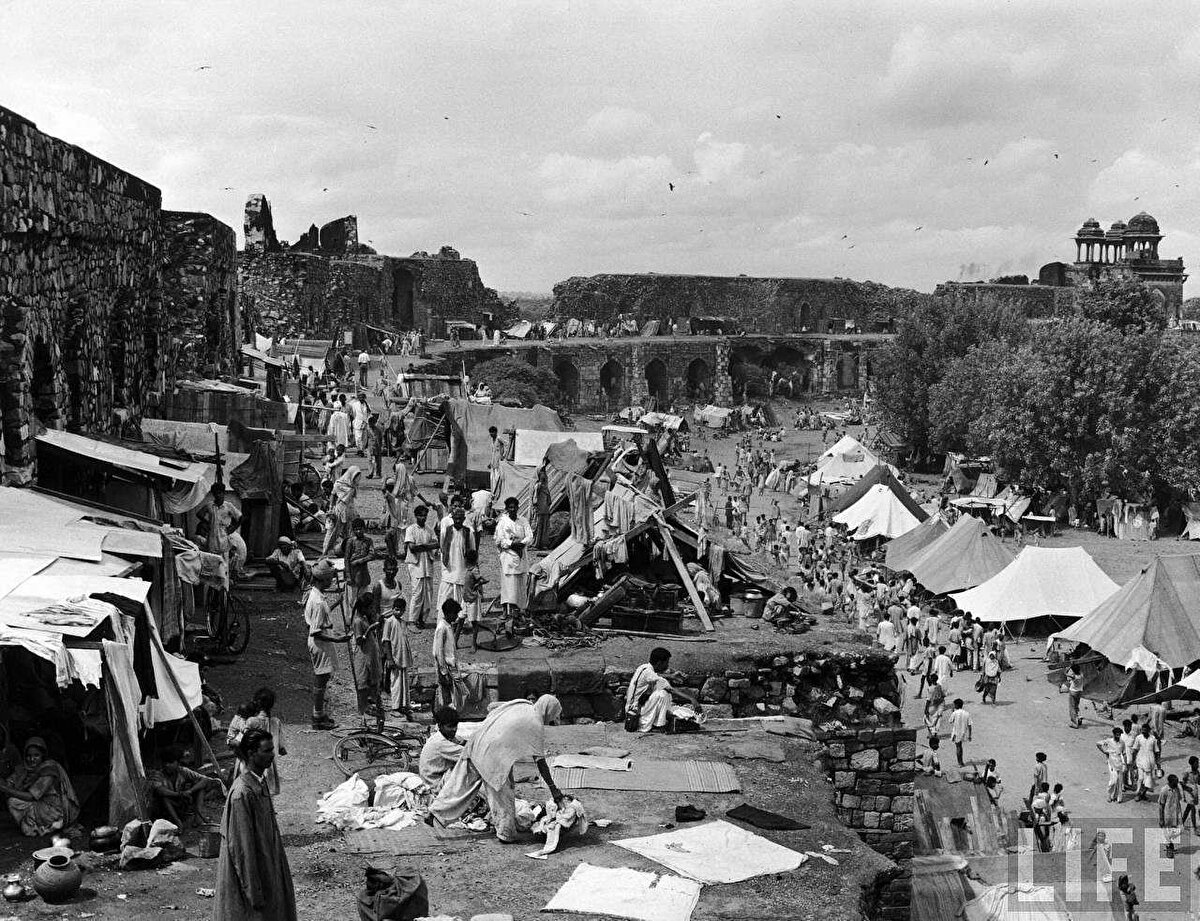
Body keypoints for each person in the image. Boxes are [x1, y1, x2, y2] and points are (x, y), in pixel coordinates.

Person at [429, 695, 565, 842]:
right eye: (553, 715)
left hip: (477, 743)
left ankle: (436, 812)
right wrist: (554, 790)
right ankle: (505, 834)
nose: (552, 719)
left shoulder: (523, 705)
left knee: (460, 785)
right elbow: (540, 762)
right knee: (502, 795)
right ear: (549, 710)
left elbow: (493, 709)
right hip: (494, 756)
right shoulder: (536, 723)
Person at [214, 728, 297, 921]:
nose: (272, 755)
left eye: (272, 749)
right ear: (251, 753)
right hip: (251, 875)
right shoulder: (242, 793)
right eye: (267, 751)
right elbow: (241, 848)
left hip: (266, 863)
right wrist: (253, 890)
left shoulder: (259, 782)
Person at [0, 737, 80, 836]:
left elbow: (32, 796)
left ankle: (50, 824)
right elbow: (13, 780)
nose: (32, 759)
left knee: (13, 802)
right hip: (40, 804)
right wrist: (7, 784)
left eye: (36, 755)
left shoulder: (49, 770)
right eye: (28, 756)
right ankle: (41, 825)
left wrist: (6, 789)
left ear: (43, 756)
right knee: (21, 817)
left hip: (53, 809)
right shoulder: (25, 769)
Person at [305, 560, 350, 730]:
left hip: (322, 641)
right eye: (329, 579)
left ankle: (320, 713)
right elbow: (315, 631)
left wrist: (337, 603)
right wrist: (338, 640)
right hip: (320, 643)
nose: (331, 582)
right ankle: (317, 717)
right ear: (322, 580)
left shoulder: (317, 595)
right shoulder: (317, 601)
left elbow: (322, 614)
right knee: (321, 680)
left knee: (323, 679)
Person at [624, 647, 698, 733]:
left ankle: (657, 720)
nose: (667, 666)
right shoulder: (650, 674)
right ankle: (659, 725)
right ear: (659, 663)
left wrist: (671, 676)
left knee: (662, 693)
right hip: (635, 713)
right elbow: (671, 690)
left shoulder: (643, 667)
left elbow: (655, 674)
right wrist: (692, 699)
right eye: (667, 663)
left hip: (632, 708)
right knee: (663, 694)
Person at [148, 744, 223, 827]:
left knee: (200, 788)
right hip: (167, 809)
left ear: (177, 763)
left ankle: (198, 818)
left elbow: (204, 780)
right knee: (165, 798)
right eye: (165, 762)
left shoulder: (183, 771)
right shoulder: (158, 774)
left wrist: (190, 791)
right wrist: (179, 794)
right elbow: (160, 790)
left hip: (182, 804)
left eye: (171, 762)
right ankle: (178, 822)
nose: (167, 765)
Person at [495, 497, 533, 620]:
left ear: (517, 507)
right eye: (510, 507)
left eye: (514, 507)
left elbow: (529, 536)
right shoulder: (503, 522)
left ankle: (520, 611)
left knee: (520, 585)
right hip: (508, 556)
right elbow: (499, 539)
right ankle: (506, 611)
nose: (512, 509)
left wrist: (521, 543)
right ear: (507, 508)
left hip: (521, 555)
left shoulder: (523, 521)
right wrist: (512, 544)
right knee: (508, 585)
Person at [404, 505, 439, 629]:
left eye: (425, 515)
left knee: (428, 593)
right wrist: (427, 546)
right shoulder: (411, 529)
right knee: (417, 593)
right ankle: (412, 620)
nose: (423, 518)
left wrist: (423, 546)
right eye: (420, 515)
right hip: (416, 565)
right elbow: (412, 548)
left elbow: (436, 544)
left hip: (427, 564)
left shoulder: (429, 529)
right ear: (416, 516)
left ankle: (422, 619)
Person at [419, 706, 465, 792]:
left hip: (432, 780)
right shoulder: (440, 743)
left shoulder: (440, 737)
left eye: (455, 725)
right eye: (450, 726)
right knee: (467, 764)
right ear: (440, 726)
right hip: (434, 785)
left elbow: (460, 741)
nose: (454, 729)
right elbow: (469, 753)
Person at [438, 506, 474, 613]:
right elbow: (442, 547)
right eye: (456, 518)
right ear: (452, 518)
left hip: (463, 569)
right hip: (449, 570)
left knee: (461, 600)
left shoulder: (468, 532)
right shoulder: (446, 531)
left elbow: (472, 551)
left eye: (460, 518)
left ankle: (461, 619)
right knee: (446, 596)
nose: (458, 521)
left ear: (464, 519)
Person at [351, 593, 383, 715]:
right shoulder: (358, 621)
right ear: (364, 608)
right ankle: (363, 708)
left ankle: (369, 704)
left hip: (369, 652)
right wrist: (370, 629)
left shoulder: (364, 618)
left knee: (370, 680)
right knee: (363, 682)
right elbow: (359, 640)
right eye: (370, 607)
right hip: (363, 654)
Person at [322, 466, 361, 558]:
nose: (357, 478)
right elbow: (333, 495)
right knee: (333, 532)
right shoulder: (338, 484)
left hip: (350, 511)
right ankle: (326, 551)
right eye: (356, 476)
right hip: (339, 510)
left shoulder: (352, 485)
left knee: (349, 532)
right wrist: (331, 508)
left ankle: (349, 551)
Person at [433, 598, 462, 710]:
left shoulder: (448, 626)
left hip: (450, 665)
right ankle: (446, 713)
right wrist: (444, 671)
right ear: (449, 614)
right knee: (446, 694)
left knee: (451, 693)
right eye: (455, 614)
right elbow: (438, 651)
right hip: (445, 667)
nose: (456, 617)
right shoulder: (442, 628)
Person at [342, 517, 374, 615]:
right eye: (356, 529)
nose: (358, 531)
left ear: (364, 529)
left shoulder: (368, 541)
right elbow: (346, 559)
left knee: (363, 598)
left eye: (360, 529)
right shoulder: (350, 541)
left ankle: (361, 617)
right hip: (353, 574)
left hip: (363, 572)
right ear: (353, 530)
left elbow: (372, 555)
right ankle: (352, 619)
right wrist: (348, 576)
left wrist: (359, 561)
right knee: (353, 599)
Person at [462, 547, 487, 650]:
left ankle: (473, 644)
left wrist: (477, 585)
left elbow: (483, 580)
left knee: (474, 622)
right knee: (460, 619)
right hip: (465, 598)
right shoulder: (469, 570)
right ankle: (455, 640)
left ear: (467, 560)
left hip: (472, 598)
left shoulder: (474, 570)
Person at [1098, 727, 1125, 804]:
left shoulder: (1122, 742)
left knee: (1119, 781)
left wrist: (1124, 764)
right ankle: (1109, 795)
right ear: (1114, 734)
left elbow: (1123, 753)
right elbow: (1098, 744)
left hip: (1119, 763)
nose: (1118, 736)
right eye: (1116, 735)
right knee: (1113, 780)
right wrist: (1105, 751)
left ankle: (1118, 797)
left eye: (1119, 735)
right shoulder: (1109, 741)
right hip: (1111, 763)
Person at [1132, 723, 1157, 801]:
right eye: (1142, 731)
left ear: (1149, 730)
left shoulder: (1153, 739)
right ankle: (1138, 794)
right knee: (1140, 778)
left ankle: (1143, 794)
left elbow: (1156, 751)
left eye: (1145, 731)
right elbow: (1135, 750)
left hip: (1150, 762)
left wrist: (1158, 763)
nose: (1144, 732)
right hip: (1140, 761)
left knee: (1148, 780)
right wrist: (1133, 761)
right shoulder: (1138, 738)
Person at [1161, 773, 1183, 858]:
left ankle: (1168, 842)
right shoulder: (1164, 790)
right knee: (1169, 831)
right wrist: (1161, 819)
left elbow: (1180, 798)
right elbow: (1161, 805)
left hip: (1177, 813)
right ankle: (1169, 848)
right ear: (1170, 782)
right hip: (1168, 815)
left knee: (1181, 830)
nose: (1177, 784)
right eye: (1175, 782)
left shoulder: (1177, 788)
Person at [531, 466, 552, 549]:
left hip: (545, 509)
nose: (544, 475)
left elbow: (549, 499)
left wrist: (548, 505)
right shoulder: (538, 486)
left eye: (544, 473)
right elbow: (535, 498)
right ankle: (536, 543)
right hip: (539, 509)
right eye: (542, 473)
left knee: (545, 527)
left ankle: (543, 544)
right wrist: (536, 507)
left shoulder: (545, 486)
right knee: (538, 526)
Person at [948, 698, 972, 767]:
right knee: (960, 747)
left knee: (958, 747)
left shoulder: (955, 713)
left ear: (956, 705)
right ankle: (961, 762)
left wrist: (952, 712)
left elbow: (950, 721)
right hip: (964, 732)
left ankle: (960, 763)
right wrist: (969, 735)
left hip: (956, 732)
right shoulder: (967, 713)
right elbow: (969, 725)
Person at [1064, 664, 1084, 729]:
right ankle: (1079, 717)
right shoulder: (1081, 675)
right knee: (1076, 705)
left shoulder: (1074, 676)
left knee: (1072, 707)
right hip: (1079, 692)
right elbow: (1079, 670)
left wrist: (1067, 669)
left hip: (1073, 692)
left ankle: (1074, 723)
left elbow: (1065, 673)